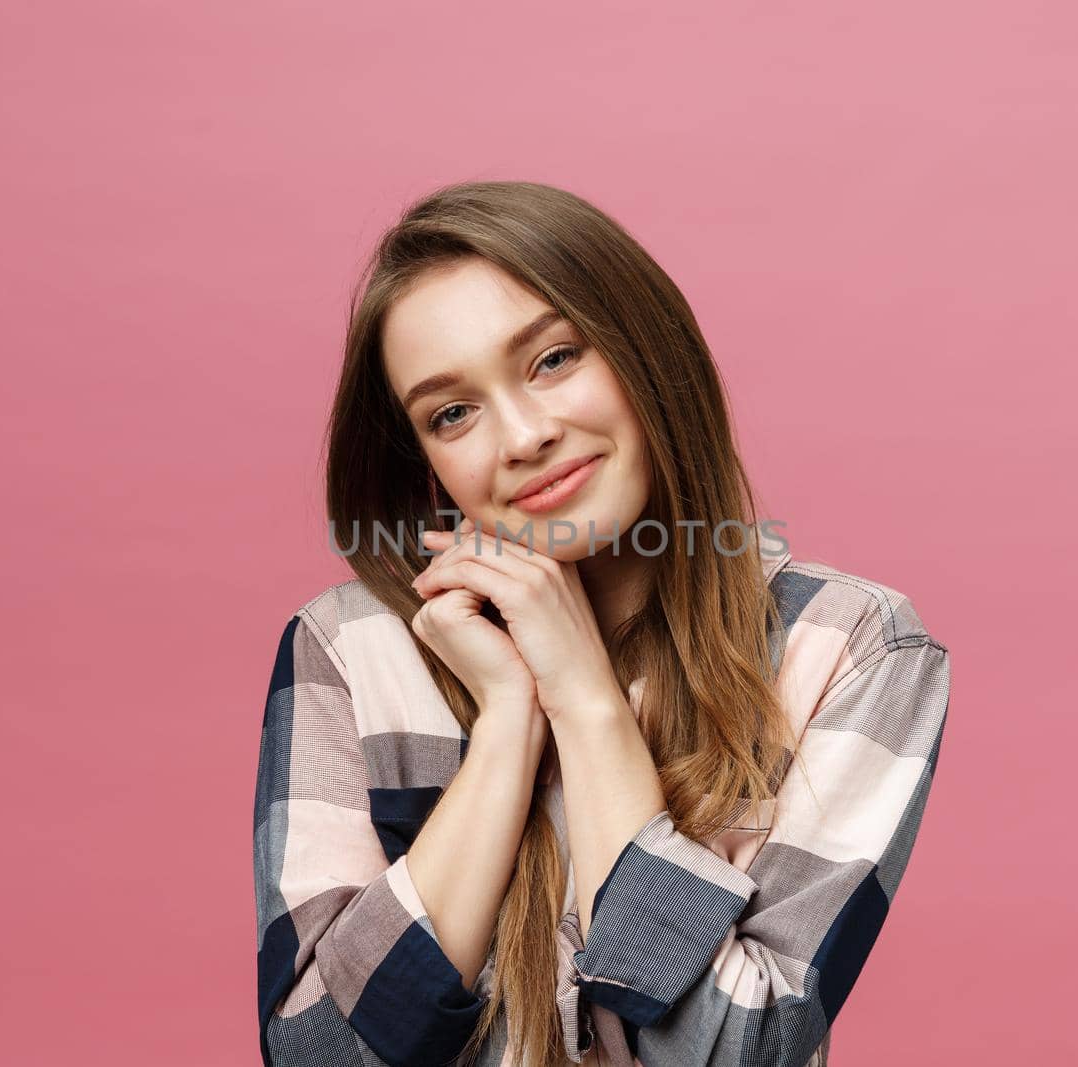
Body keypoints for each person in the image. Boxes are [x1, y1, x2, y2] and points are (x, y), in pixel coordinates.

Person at [252, 180, 952, 1067]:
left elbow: (739, 1051)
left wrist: (585, 700)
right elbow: (317, 1056)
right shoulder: (352, 649)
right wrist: (509, 716)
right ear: (422, 460)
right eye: (452, 412)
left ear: (646, 349)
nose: (522, 434)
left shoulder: (849, 643)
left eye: (552, 360)